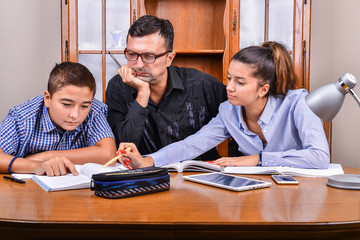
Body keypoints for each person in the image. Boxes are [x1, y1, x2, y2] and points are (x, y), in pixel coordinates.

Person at [118, 41, 330, 169]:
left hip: (304, 191)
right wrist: (147, 161)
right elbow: (193, 144)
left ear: (263, 89)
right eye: (229, 78)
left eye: (240, 82)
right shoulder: (229, 111)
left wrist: (258, 159)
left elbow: (320, 157)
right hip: (259, 191)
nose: (229, 87)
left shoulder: (298, 103)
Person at [105, 15, 228, 161]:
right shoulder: (118, 86)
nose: (138, 64)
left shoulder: (202, 84)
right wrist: (142, 94)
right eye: (132, 54)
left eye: (148, 56)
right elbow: (122, 146)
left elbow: (238, 122)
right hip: (145, 175)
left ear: (169, 58)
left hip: (198, 174)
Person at [0, 62, 117, 176]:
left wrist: (45, 157)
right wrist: (35, 165)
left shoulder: (94, 111)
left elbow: (108, 154)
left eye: (84, 106)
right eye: (66, 104)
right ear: (47, 98)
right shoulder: (23, 117)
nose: (75, 115)